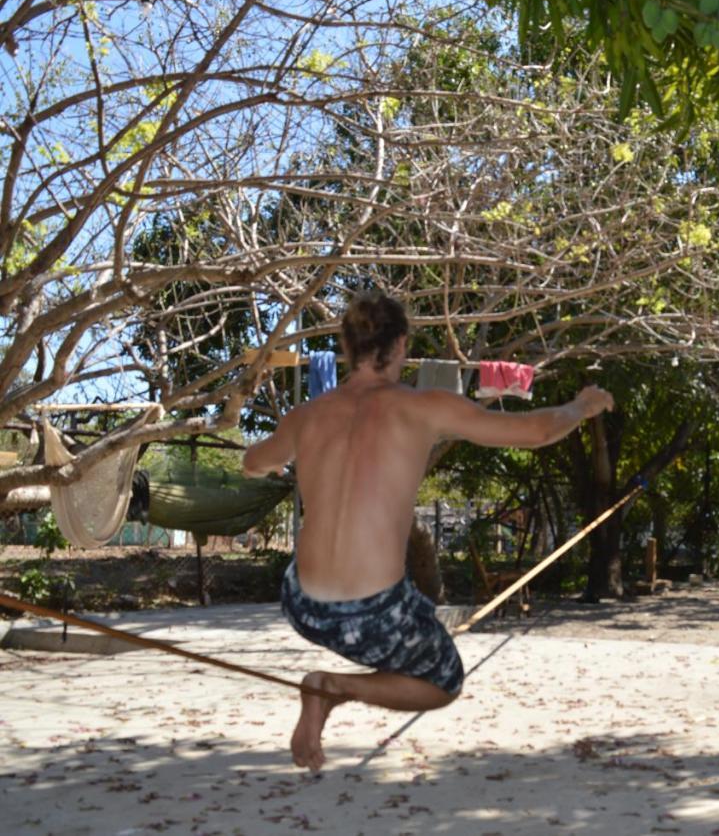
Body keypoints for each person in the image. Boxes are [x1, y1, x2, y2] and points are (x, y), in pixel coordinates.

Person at [242, 291, 614, 770]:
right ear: (400, 345)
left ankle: (368, 646)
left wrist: (268, 465)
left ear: (348, 347)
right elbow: (537, 431)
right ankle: (331, 688)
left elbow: (254, 460)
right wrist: (581, 406)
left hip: (301, 603)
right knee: (443, 678)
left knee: (411, 605)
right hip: (368, 612)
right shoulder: (423, 407)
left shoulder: (306, 416)